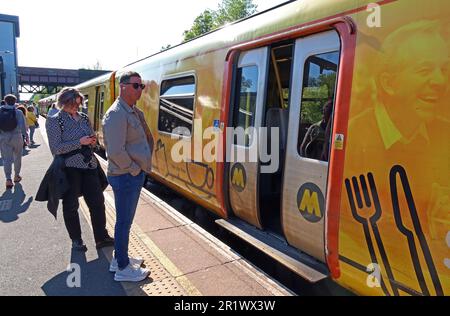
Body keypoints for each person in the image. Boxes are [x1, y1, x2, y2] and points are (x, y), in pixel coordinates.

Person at [45, 87, 114, 251]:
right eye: (72, 104)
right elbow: (56, 148)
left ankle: (101, 237)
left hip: (89, 165)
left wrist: (92, 140)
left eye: (78, 104)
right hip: (69, 168)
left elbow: (90, 136)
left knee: (97, 202)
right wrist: (79, 142)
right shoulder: (55, 120)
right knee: (71, 205)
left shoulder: (83, 117)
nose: (76, 107)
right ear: (63, 103)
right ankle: (76, 240)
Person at [103, 71, 153, 282]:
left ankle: (118, 258)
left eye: (141, 86)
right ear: (123, 86)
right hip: (125, 175)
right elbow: (114, 151)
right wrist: (134, 169)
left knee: (125, 221)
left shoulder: (131, 111)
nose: (140, 89)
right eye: (136, 85)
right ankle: (123, 268)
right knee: (124, 222)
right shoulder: (117, 114)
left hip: (129, 175)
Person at [0, 95, 28, 189]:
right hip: (17, 137)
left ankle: (8, 179)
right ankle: (16, 176)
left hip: (3, 138)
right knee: (17, 157)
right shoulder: (18, 112)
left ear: (5, 101)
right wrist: (26, 137)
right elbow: (23, 126)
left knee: (6, 159)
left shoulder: (0, 111)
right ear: (15, 102)